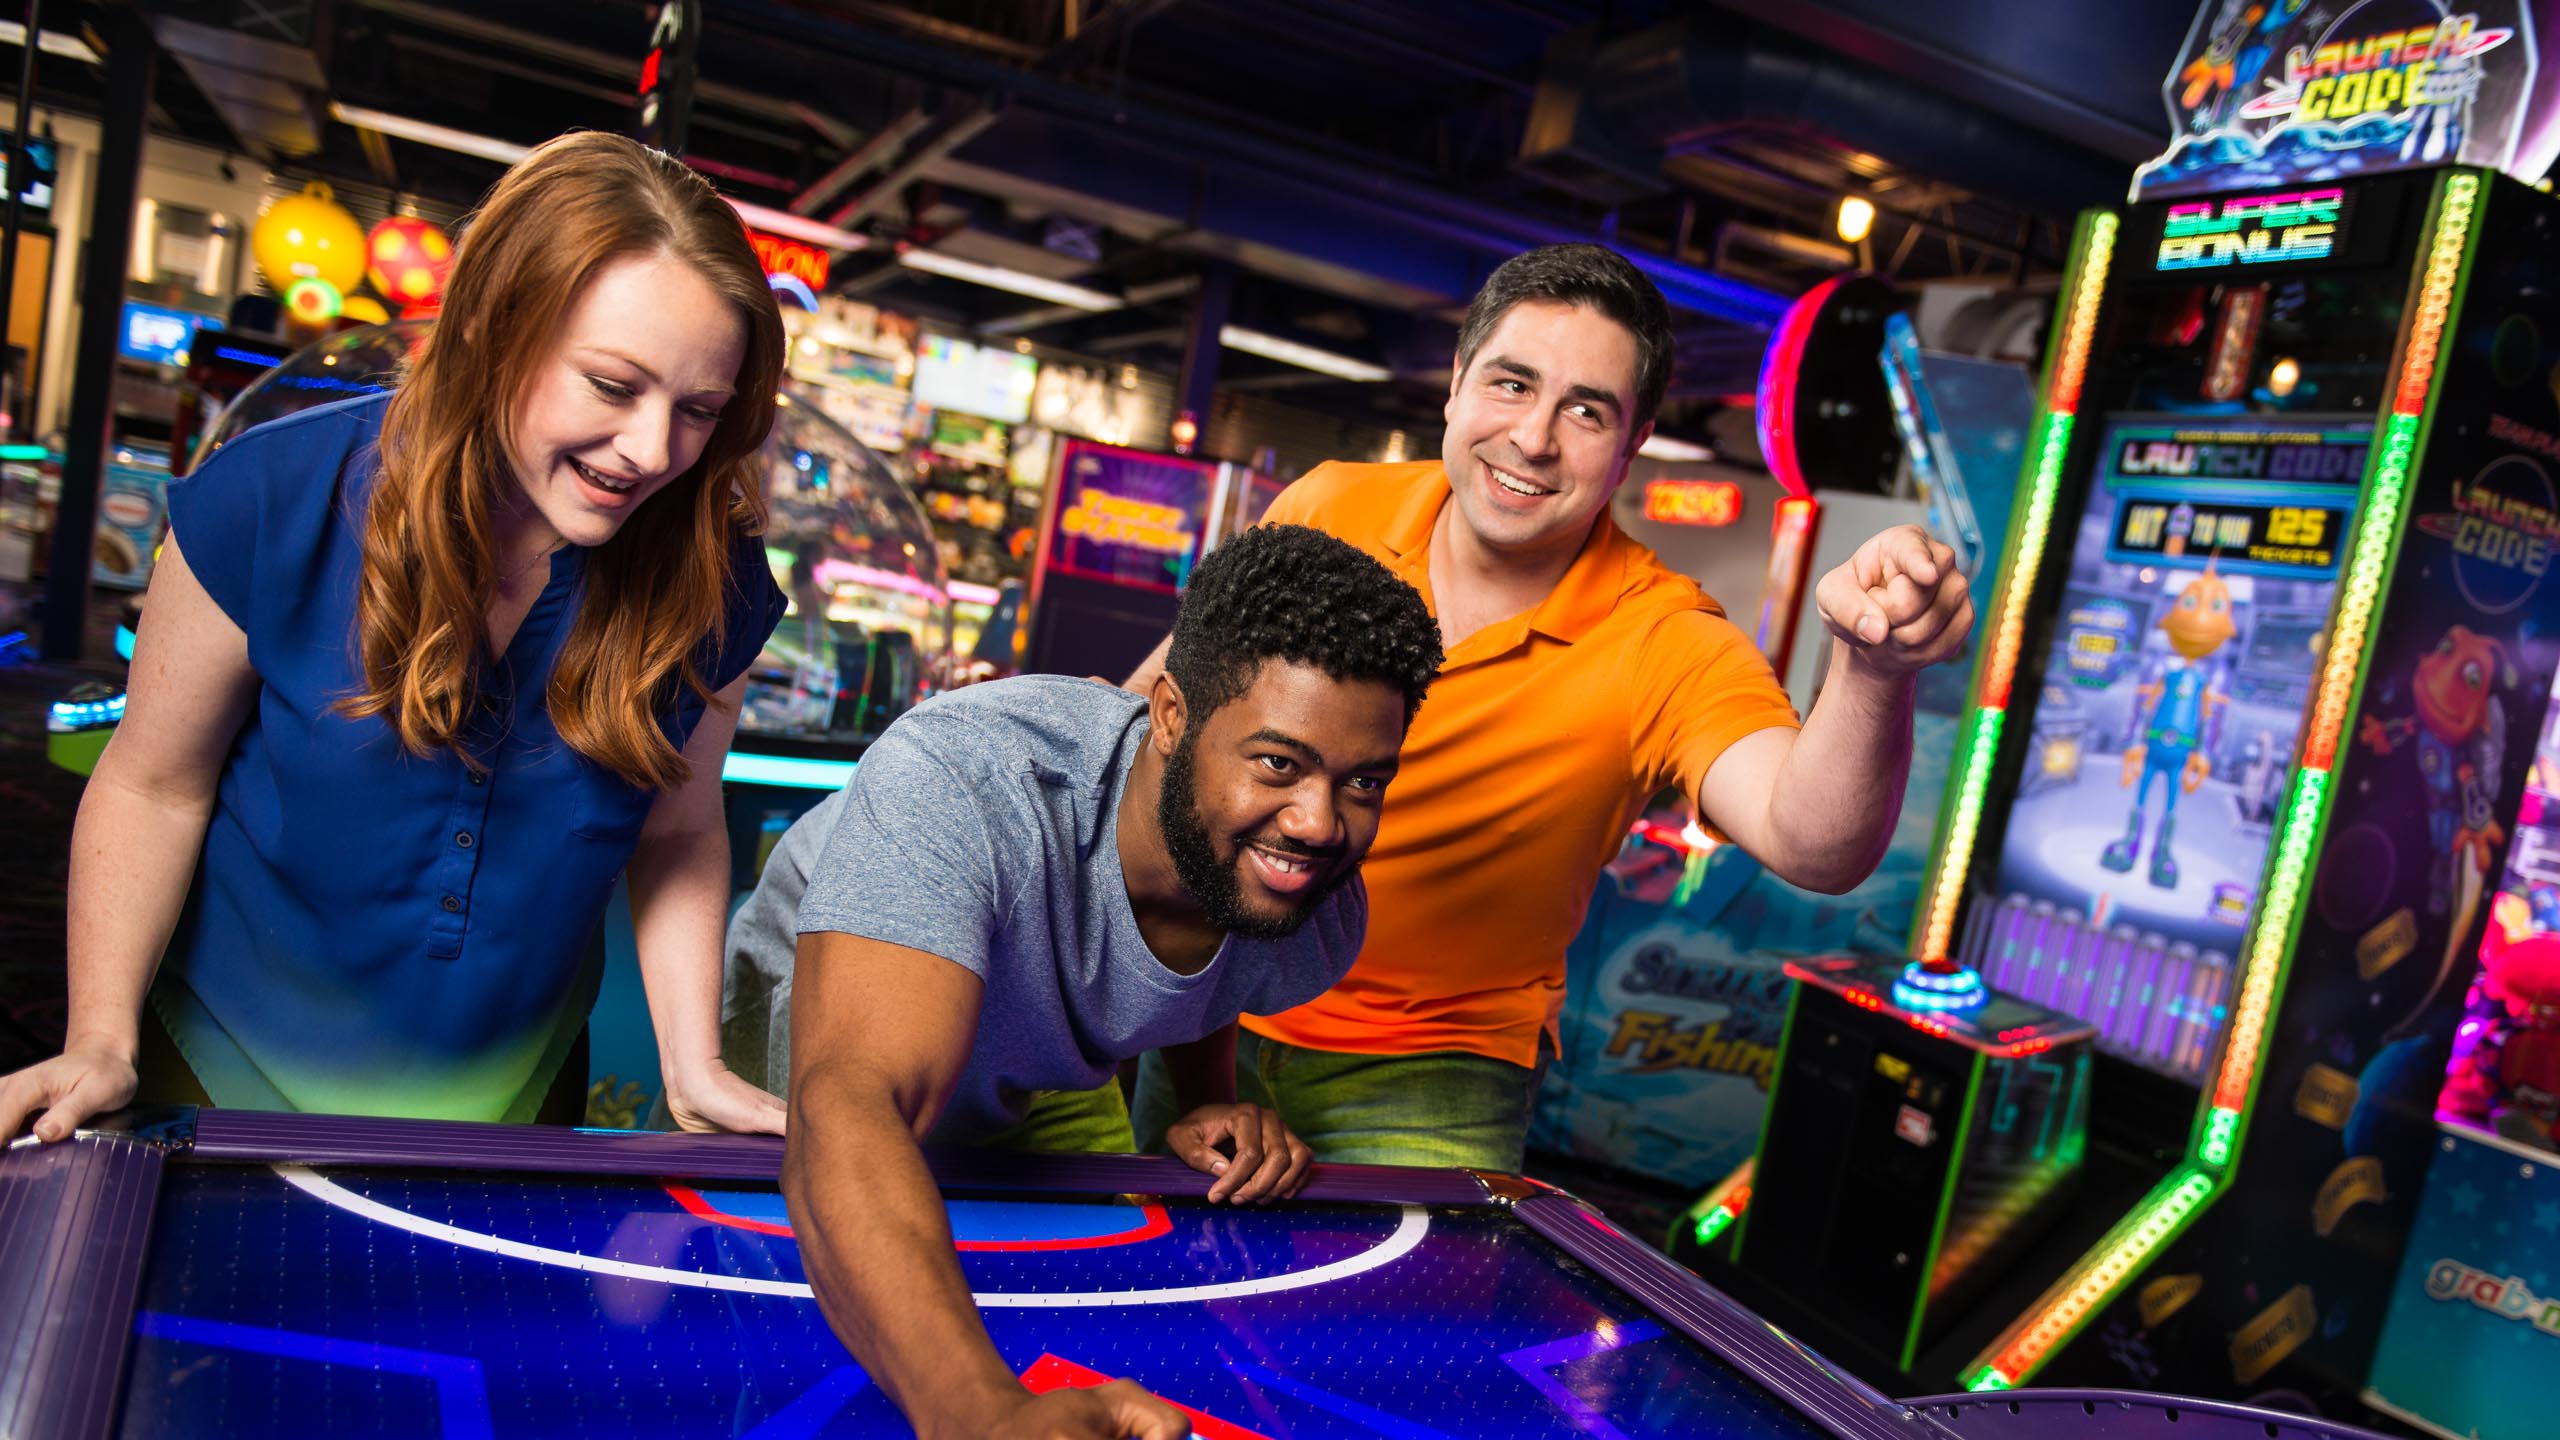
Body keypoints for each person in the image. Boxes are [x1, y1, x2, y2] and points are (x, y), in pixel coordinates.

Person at [0, 132, 793, 1141]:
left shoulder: (711, 575)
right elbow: (153, 783)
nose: (651, 450)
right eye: (609, 385)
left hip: (514, 1099)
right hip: (209, 1071)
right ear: (490, 331)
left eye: (697, 410)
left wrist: (694, 1067)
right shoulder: (270, 497)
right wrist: (98, 1039)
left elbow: (676, 831)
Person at [1126, 243, 1976, 1171]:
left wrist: (1872, 668)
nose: (1534, 438)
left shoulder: (1665, 639)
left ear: (1630, 446)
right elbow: (1157, 716)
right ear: (1455, 386)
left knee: (1393, 1320)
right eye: (1512, 383)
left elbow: (1815, 843)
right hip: (1209, 1009)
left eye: (1586, 410)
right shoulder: (1330, 506)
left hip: (1432, 1073)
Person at [772, 523, 1440, 1440]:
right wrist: (982, 1416)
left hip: (1038, 1066)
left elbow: (1210, 943)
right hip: (832, 1015)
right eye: (1279, 764)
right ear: (1171, 715)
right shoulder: (967, 774)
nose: (1320, 824)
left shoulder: (1311, 910)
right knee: (789, 1342)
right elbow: (848, 1103)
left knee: (1081, 1313)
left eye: (1364, 782)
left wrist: (1211, 1103)